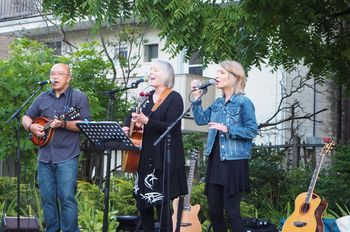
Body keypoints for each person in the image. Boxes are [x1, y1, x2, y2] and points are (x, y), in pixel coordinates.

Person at [22, 63, 91, 232]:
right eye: (53, 73)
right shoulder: (42, 97)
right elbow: (25, 117)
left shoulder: (78, 97)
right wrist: (31, 127)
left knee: (67, 198)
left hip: (67, 156)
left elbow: (85, 124)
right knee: (47, 199)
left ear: (69, 78)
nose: (55, 77)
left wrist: (64, 123)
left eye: (60, 73)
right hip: (44, 156)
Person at [191, 60, 258, 232]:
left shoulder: (244, 102)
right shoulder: (217, 103)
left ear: (235, 77)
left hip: (234, 163)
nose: (216, 76)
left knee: (232, 212)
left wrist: (228, 129)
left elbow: (251, 131)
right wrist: (197, 100)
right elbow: (200, 120)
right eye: (217, 73)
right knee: (214, 212)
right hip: (215, 161)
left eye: (221, 72)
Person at [122, 60, 188, 232]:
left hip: (164, 159)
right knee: (144, 206)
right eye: (150, 70)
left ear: (166, 75)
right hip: (144, 157)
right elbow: (132, 117)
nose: (151, 73)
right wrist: (125, 124)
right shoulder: (145, 97)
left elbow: (172, 127)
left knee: (163, 207)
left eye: (155, 70)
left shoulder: (174, 97)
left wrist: (147, 121)